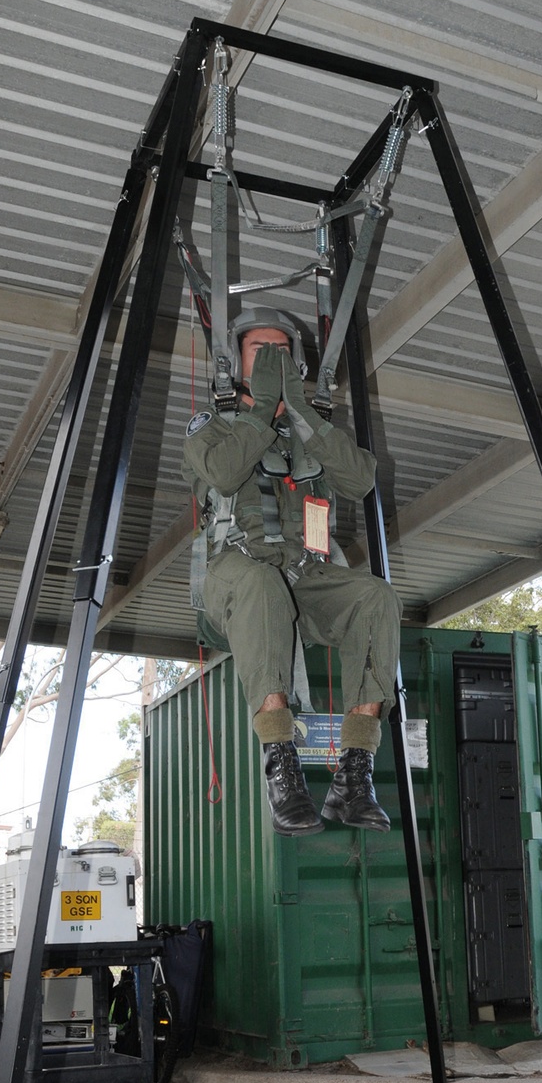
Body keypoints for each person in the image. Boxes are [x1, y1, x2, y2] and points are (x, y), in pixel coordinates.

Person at [184, 306, 402, 837]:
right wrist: (260, 412)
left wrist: (303, 414)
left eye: (281, 352)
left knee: (376, 597)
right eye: (260, 351)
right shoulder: (210, 428)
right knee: (260, 584)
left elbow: (360, 481)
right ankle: (281, 766)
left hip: (306, 576)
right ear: (235, 362)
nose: (272, 361)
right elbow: (223, 471)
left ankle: (354, 775)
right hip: (237, 572)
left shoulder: (311, 433)